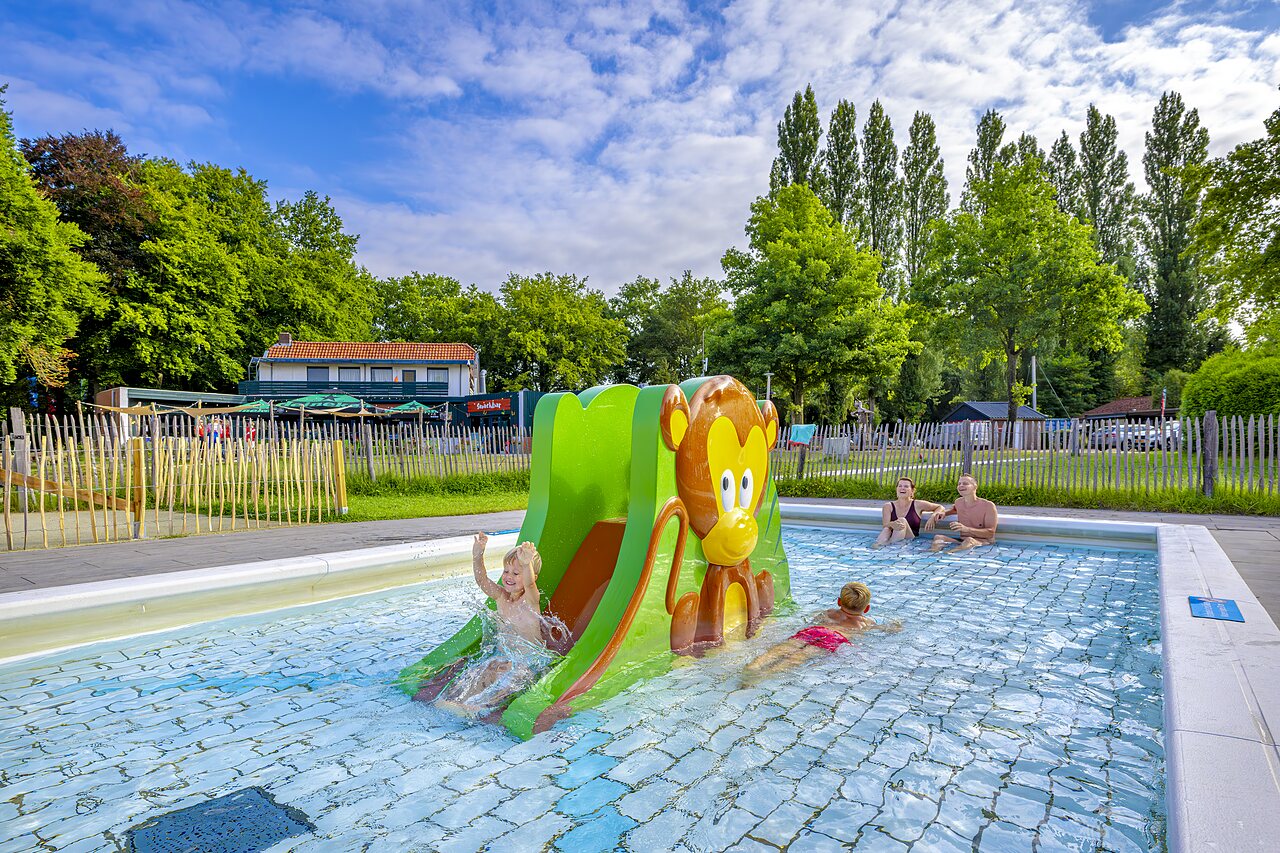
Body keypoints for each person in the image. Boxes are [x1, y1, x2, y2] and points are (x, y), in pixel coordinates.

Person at [435, 535, 551, 717]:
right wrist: (478, 555)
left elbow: (529, 584)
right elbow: (482, 580)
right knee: (484, 669)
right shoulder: (501, 597)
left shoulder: (530, 601)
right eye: (506, 571)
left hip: (530, 663)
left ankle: (482, 708)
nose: (509, 576)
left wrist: (527, 563)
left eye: (516, 573)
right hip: (504, 657)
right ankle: (458, 701)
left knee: (515, 677)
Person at [743, 582, 897, 680]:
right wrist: (896, 626)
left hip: (813, 631)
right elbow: (886, 630)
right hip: (834, 639)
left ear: (839, 601)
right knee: (797, 658)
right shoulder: (865, 623)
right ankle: (763, 676)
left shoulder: (829, 613)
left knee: (777, 652)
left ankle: (753, 667)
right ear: (867, 608)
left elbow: (812, 621)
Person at [930, 473, 998, 552]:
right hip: (962, 541)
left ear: (975, 487)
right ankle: (932, 555)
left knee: (969, 540)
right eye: (959, 484)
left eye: (965, 483)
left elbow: (990, 533)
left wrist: (967, 529)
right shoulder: (958, 502)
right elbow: (954, 509)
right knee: (938, 538)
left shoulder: (988, 506)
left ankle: (948, 554)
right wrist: (944, 513)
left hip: (983, 543)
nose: (961, 485)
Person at [873, 477, 946, 547]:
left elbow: (940, 507)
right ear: (896, 489)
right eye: (900, 486)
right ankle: (877, 547)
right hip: (893, 538)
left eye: (906, 486)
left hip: (910, 540)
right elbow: (885, 525)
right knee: (887, 529)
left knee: (902, 520)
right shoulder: (888, 506)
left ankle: (888, 547)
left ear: (912, 491)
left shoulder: (917, 504)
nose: (902, 488)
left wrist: (933, 517)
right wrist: (892, 524)